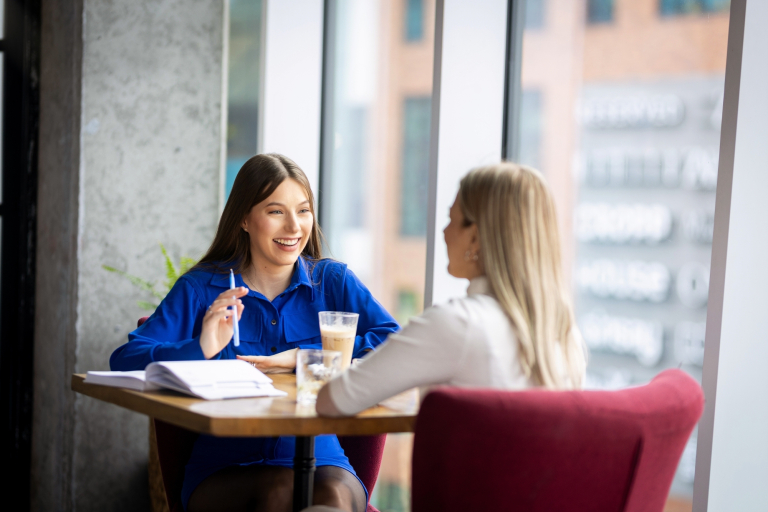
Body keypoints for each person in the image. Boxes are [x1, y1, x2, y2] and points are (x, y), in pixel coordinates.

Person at [110, 153, 399, 512]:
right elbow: (125, 361)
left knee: (332, 498)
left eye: (303, 210)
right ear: (245, 219)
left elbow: (395, 344)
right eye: (276, 211)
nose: (294, 227)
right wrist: (201, 346)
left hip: (325, 463)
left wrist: (305, 356)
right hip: (224, 470)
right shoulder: (202, 288)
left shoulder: (334, 282)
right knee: (279, 491)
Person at [317, 162, 586, 418]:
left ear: (475, 237)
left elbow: (333, 399)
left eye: (451, 219)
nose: (444, 232)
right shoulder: (564, 335)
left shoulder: (457, 324)